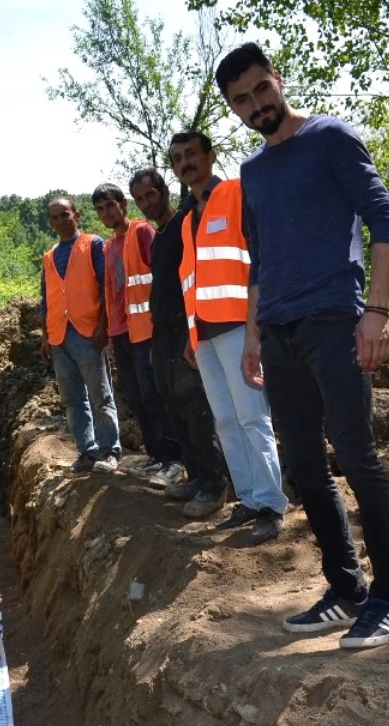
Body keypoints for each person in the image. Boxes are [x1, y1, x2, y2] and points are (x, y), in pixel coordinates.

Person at [216, 43, 389, 648]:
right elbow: (259, 260)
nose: (256, 106)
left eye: (261, 90)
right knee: (304, 464)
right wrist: (252, 333)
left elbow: (385, 222)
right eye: (242, 101)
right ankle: (347, 589)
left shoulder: (331, 138)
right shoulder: (251, 172)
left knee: (356, 455)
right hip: (277, 330)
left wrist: (375, 313)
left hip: (334, 319)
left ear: (278, 79)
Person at [171, 131, 289, 543]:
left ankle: (273, 504)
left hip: (240, 327)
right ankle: (251, 498)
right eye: (178, 158)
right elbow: (193, 281)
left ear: (210, 156)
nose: (185, 162)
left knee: (253, 417)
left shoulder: (237, 193)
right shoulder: (187, 220)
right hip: (204, 335)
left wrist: (257, 329)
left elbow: (258, 260)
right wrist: (191, 334)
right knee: (225, 419)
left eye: (191, 154)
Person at [128, 169, 228, 518]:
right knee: (173, 406)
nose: (147, 203)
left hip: (185, 328)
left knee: (196, 408)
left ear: (165, 191)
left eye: (151, 194)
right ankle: (197, 477)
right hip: (162, 333)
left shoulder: (186, 224)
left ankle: (215, 486)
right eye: (140, 199)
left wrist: (192, 328)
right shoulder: (159, 237)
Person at [91, 183, 185, 487]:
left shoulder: (142, 232)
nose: (106, 213)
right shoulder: (109, 246)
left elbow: (162, 277)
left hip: (145, 329)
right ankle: (157, 455)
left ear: (123, 205)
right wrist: (107, 327)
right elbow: (111, 292)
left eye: (110, 205)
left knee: (154, 395)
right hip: (121, 331)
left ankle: (174, 460)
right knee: (137, 398)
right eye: (101, 209)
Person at [40, 196, 121, 474]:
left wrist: (104, 325)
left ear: (77, 215)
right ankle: (87, 450)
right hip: (59, 336)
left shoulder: (93, 244)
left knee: (100, 394)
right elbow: (46, 298)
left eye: (65, 214)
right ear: (51, 222)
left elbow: (105, 286)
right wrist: (45, 335)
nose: (61, 221)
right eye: (55, 217)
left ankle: (110, 450)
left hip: (87, 331)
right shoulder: (50, 256)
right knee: (72, 398)